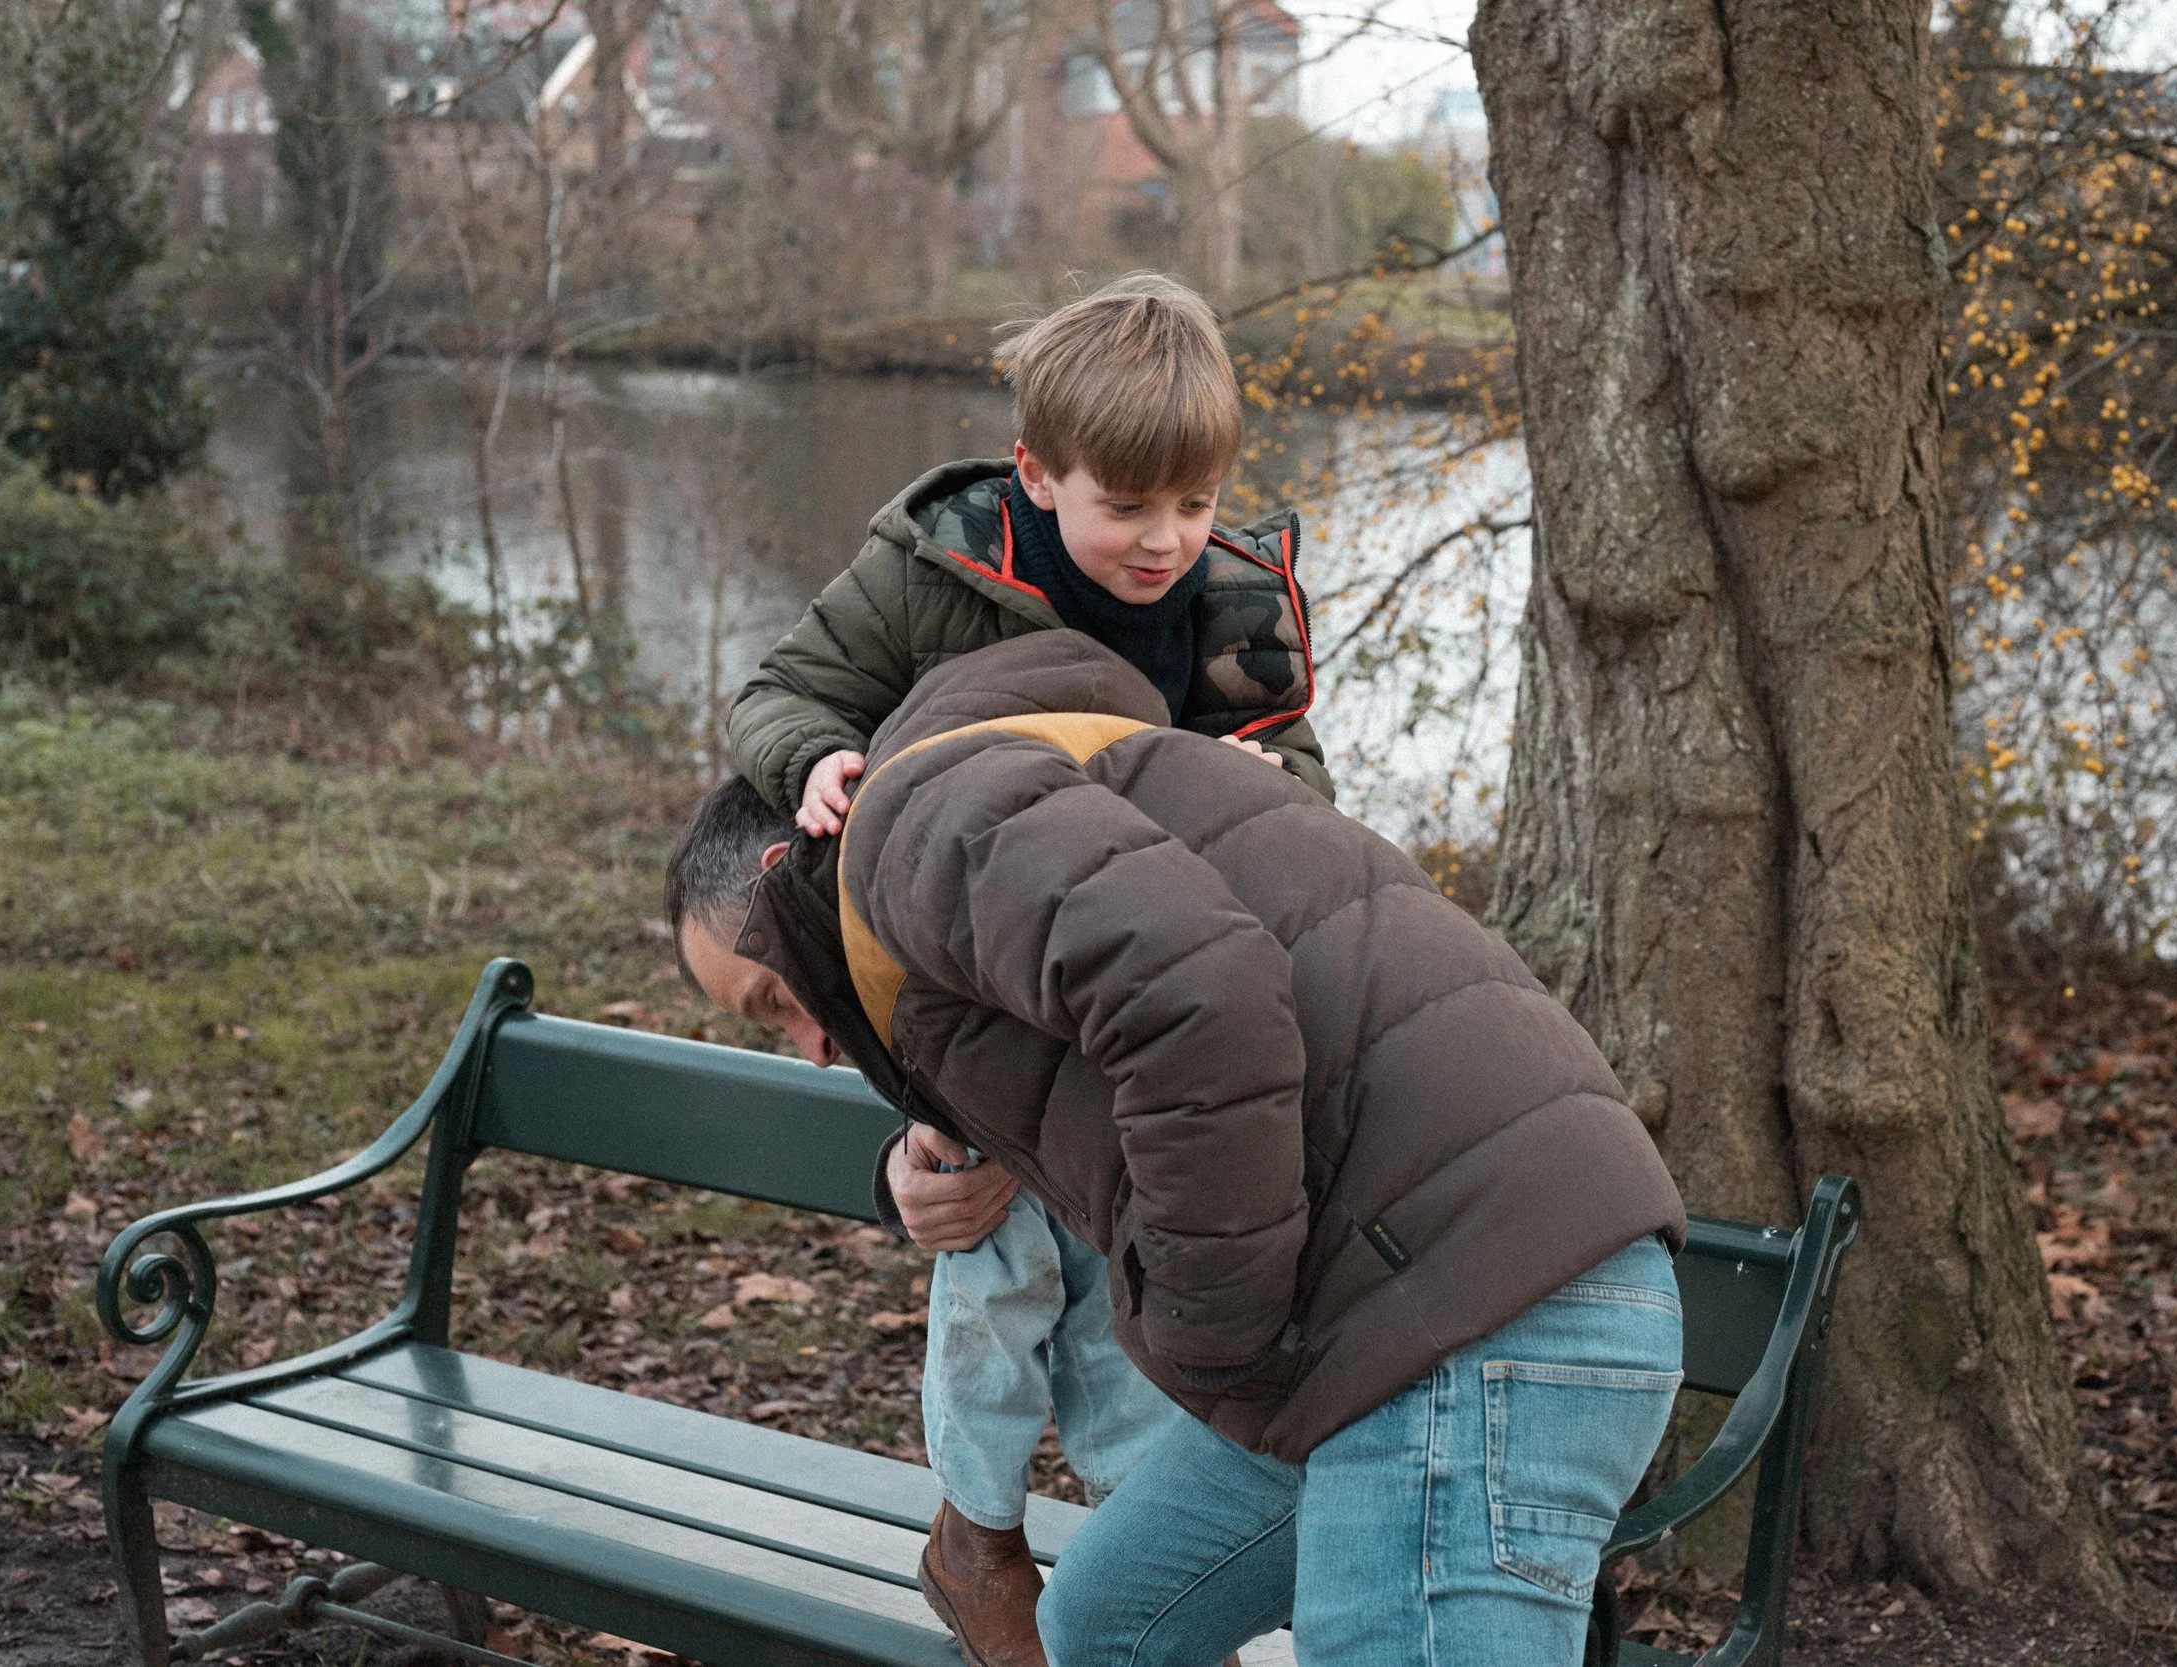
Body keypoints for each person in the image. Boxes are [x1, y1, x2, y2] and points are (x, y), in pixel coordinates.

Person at [667, 632, 1689, 1665]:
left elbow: (1201, 1001)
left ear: (780, 863)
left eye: (773, 998)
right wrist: (911, 1173)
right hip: (1391, 1304)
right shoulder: (1008, 797)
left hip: (1473, 1308)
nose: (811, 1047)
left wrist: (1211, 1336)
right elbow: (1084, 1054)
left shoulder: (911, 817)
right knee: (1109, 1623)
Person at [716, 273, 1333, 1667]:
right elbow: (778, 691)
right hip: (972, 967)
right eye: (1127, 506)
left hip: (1128, 996)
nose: (1165, 540)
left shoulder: (1233, 610)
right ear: (1038, 474)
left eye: (1193, 502)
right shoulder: (937, 568)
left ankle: (1141, 1542)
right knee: (991, 1259)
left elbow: (1310, 796)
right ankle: (976, 1523)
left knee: (1133, 1271)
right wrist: (817, 761)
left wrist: (1256, 786)